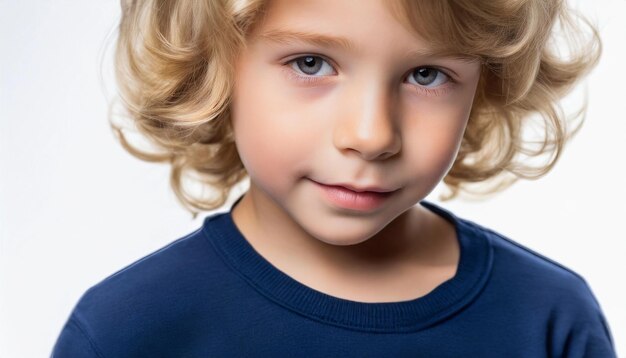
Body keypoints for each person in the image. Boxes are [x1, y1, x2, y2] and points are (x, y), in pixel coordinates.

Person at [51, 0, 617, 356]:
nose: (371, 135)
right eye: (311, 63)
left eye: (427, 74)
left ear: (485, 86)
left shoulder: (548, 319)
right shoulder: (129, 330)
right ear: (214, 67)